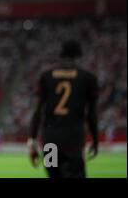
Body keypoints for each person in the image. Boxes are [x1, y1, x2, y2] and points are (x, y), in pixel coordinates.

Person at [28, 40, 99, 178]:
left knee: (53, 175)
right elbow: (92, 114)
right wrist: (95, 140)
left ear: (61, 55)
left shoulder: (46, 76)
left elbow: (37, 111)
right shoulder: (88, 78)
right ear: (79, 56)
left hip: (49, 142)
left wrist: (32, 141)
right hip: (73, 142)